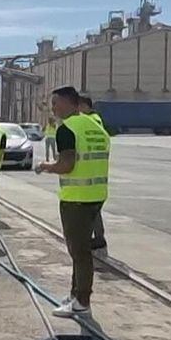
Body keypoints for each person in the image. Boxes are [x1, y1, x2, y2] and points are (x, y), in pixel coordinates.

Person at [36, 86, 111, 312]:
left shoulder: (67, 129)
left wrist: (45, 166)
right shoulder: (96, 127)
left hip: (76, 198)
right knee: (80, 250)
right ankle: (74, 295)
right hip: (96, 195)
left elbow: (67, 165)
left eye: (56, 103)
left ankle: (82, 302)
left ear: (70, 103)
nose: (53, 108)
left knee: (79, 252)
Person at [77, 96, 109, 255]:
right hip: (94, 173)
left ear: (85, 106)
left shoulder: (92, 121)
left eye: (80, 106)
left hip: (92, 174)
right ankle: (96, 239)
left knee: (92, 212)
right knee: (93, 212)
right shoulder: (95, 120)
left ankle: (99, 240)